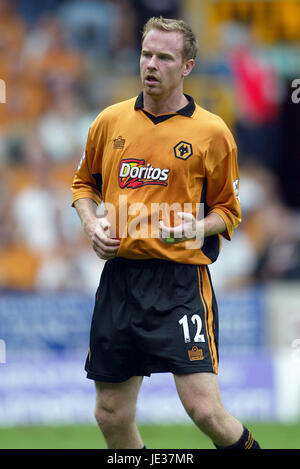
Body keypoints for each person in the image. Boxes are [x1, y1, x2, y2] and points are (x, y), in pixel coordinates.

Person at [71, 16, 261, 450]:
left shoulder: (212, 133)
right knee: (110, 413)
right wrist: (90, 223)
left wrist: (198, 225)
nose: (151, 64)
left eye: (164, 57)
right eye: (146, 54)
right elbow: (84, 185)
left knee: (205, 411)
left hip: (180, 283)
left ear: (187, 66)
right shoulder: (110, 121)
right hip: (120, 280)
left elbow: (228, 211)